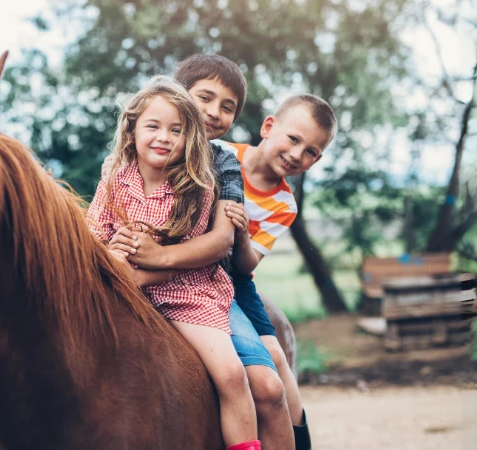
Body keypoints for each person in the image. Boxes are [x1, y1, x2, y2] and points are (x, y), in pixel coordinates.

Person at [111, 55, 336, 450]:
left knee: (271, 373)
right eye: (205, 99)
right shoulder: (148, 151)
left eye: (226, 106)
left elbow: (228, 252)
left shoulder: (222, 162)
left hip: (221, 279)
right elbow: (112, 205)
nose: (213, 112)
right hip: (163, 265)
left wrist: (160, 258)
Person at [88, 75, 261, 450]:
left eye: (176, 130)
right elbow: (95, 234)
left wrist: (137, 272)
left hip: (186, 293)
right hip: (122, 284)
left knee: (232, 374)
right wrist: (111, 254)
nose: (164, 137)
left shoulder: (196, 186)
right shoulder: (114, 181)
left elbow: (195, 251)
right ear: (132, 129)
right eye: (153, 126)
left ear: (190, 139)